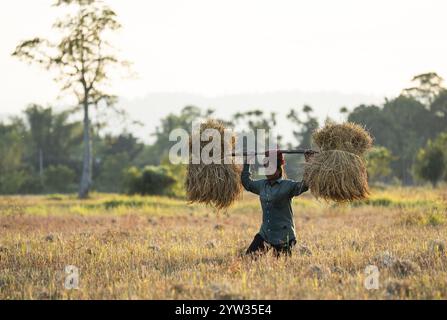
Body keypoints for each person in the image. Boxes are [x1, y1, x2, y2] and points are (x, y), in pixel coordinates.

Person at [241, 150, 314, 258]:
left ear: (278, 169)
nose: (267, 171)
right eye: (266, 167)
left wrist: (309, 162)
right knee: (248, 259)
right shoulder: (262, 185)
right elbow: (247, 183)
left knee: (282, 268)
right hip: (265, 234)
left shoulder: (287, 186)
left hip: (284, 236)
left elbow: (305, 185)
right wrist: (248, 161)